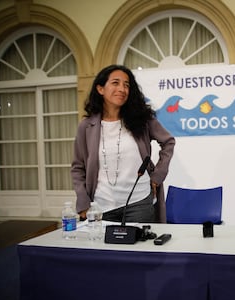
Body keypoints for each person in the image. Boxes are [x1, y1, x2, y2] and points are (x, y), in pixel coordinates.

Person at [71, 64, 175, 223]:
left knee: (139, 247)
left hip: (139, 203)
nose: (122, 89)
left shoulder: (142, 120)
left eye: (126, 85)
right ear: (100, 89)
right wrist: (82, 200)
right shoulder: (86, 126)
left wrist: (157, 175)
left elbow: (168, 142)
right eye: (115, 83)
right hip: (100, 206)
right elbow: (78, 168)